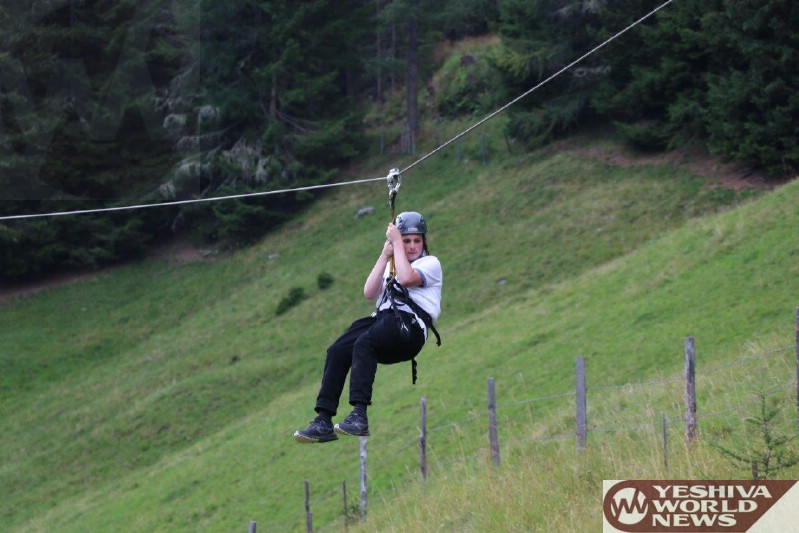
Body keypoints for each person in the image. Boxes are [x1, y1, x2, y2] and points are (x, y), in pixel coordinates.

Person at [294, 211, 442, 443]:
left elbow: (406, 279)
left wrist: (397, 244)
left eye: (417, 240)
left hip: (410, 328)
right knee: (338, 350)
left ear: (424, 242)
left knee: (365, 342)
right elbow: (369, 292)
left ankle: (359, 415)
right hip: (384, 321)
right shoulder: (392, 264)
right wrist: (385, 255)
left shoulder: (430, 263)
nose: (412, 246)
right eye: (406, 240)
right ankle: (323, 419)